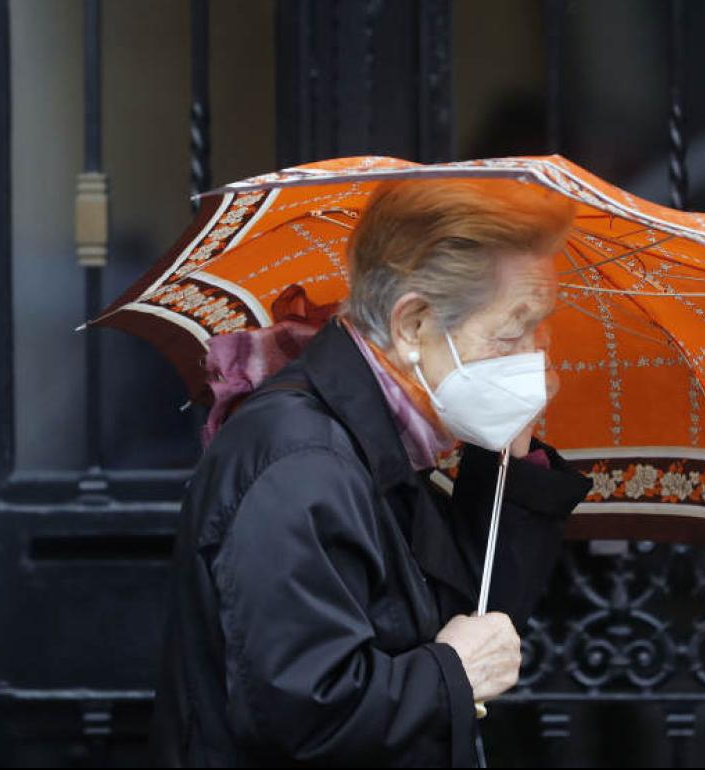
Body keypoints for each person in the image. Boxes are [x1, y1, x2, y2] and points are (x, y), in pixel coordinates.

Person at [149, 177, 594, 766]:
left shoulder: (383, 437)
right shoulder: (301, 462)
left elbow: (464, 610)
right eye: (512, 334)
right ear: (413, 326)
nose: (534, 358)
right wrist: (450, 675)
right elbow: (297, 712)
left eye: (539, 330)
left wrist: (512, 456)